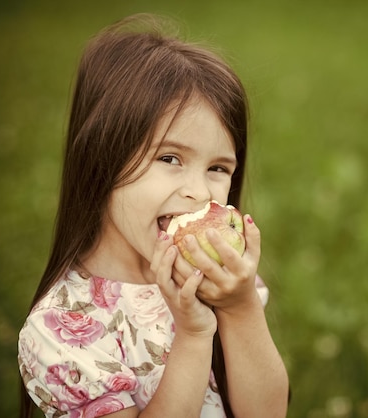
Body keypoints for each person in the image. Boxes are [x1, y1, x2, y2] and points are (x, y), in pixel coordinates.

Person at [17, 13, 289, 418]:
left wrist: (240, 305)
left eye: (218, 168)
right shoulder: (63, 327)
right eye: (170, 157)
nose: (199, 191)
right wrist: (195, 336)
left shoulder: (219, 283)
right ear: (102, 157)